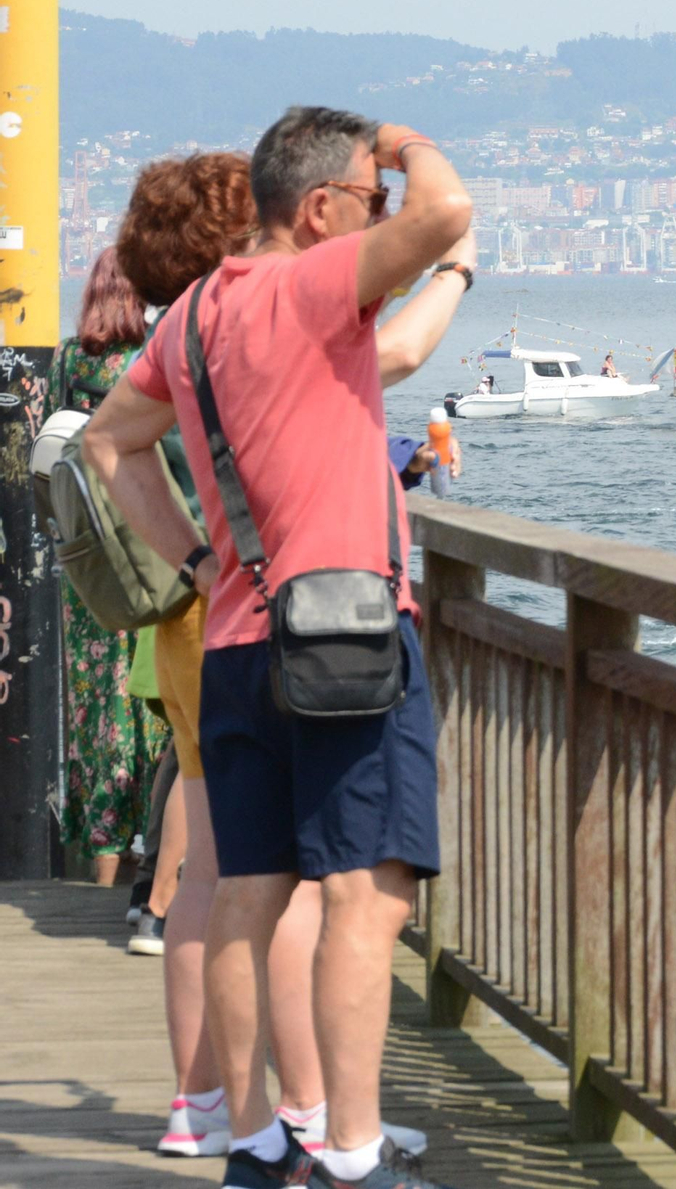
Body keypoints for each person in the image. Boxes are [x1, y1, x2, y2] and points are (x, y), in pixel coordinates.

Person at [86, 107, 473, 1189]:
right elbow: (449, 210)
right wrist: (404, 143)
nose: (383, 212)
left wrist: (201, 561)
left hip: (241, 644)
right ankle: (350, 1152)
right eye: (367, 200)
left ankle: (259, 1140)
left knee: (249, 887)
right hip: (346, 637)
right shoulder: (314, 282)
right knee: (366, 891)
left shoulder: (199, 309)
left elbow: (113, 443)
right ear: (319, 211)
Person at [44, 251, 174, 887]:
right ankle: (150, 860)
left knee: (97, 715)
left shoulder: (67, 359)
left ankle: (101, 864)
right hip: (140, 549)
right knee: (146, 708)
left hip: (86, 564)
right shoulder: (148, 357)